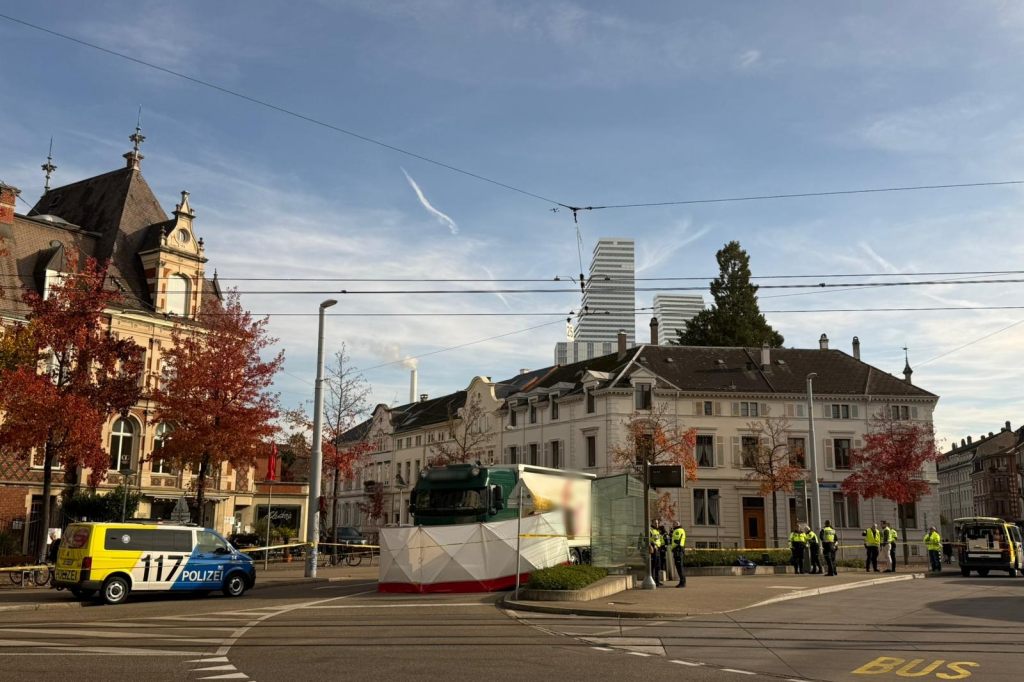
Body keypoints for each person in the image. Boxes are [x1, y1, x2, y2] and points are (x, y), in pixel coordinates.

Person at [670, 522, 687, 588]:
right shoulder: (679, 530)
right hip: (679, 550)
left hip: (678, 550)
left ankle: (682, 583)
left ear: (678, 525)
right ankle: (682, 582)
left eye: (675, 523)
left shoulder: (677, 531)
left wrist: (672, 534)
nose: (673, 524)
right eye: (673, 523)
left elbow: (676, 541)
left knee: (679, 567)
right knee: (680, 567)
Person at [649, 521, 664, 586]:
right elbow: (647, 539)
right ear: (652, 523)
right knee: (653, 566)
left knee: (657, 566)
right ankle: (653, 580)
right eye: (655, 523)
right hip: (653, 550)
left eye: (657, 523)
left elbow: (659, 540)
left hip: (658, 549)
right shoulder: (650, 530)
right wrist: (652, 545)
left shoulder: (657, 531)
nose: (657, 524)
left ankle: (657, 581)